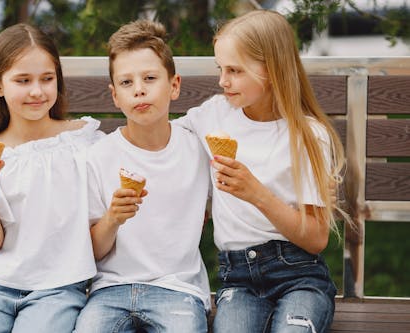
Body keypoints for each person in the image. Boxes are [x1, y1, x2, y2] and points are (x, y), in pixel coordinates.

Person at [175, 10, 346, 333]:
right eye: (220, 69)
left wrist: (256, 194)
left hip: (298, 274)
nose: (223, 81)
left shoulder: (307, 136)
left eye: (235, 71)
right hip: (237, 279)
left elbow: (316, 238)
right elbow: (160, 142)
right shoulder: (213, 115)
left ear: (271, 69)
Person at [0, 23, 103, 333]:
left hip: (58, 291)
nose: (37, 91)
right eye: (23, 80)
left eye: (47, 79)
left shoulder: (82, 144)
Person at [74, 20, 211, 333]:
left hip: (179, 289)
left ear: (174, 85)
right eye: (126, 83)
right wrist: (112, 218)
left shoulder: (197, 148)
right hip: (110, 290)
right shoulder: (99, 156)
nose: (139, 89)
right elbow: (92, 251)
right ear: (114, 96)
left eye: (150, 78)